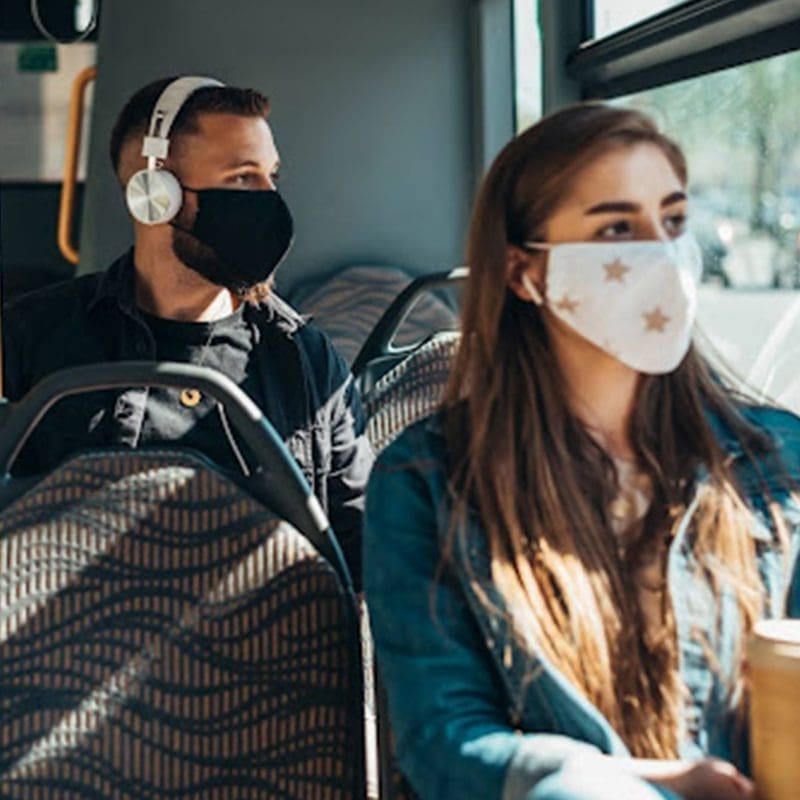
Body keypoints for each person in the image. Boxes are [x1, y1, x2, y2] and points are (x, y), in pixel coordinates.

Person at [364, 103, 800, 800]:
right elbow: (444, 742)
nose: (663, 254)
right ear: (525, 274)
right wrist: (644, 785)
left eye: (675, 221)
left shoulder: (778, 463)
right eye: (619, 229)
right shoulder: (428, 479)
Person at [3, 75, 373, 584]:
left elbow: (361, 552)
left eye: (272, 178)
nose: (270, 202)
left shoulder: (306, 363)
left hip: (260, 651)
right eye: (244, 179)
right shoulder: (30, 336)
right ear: (154, 194)